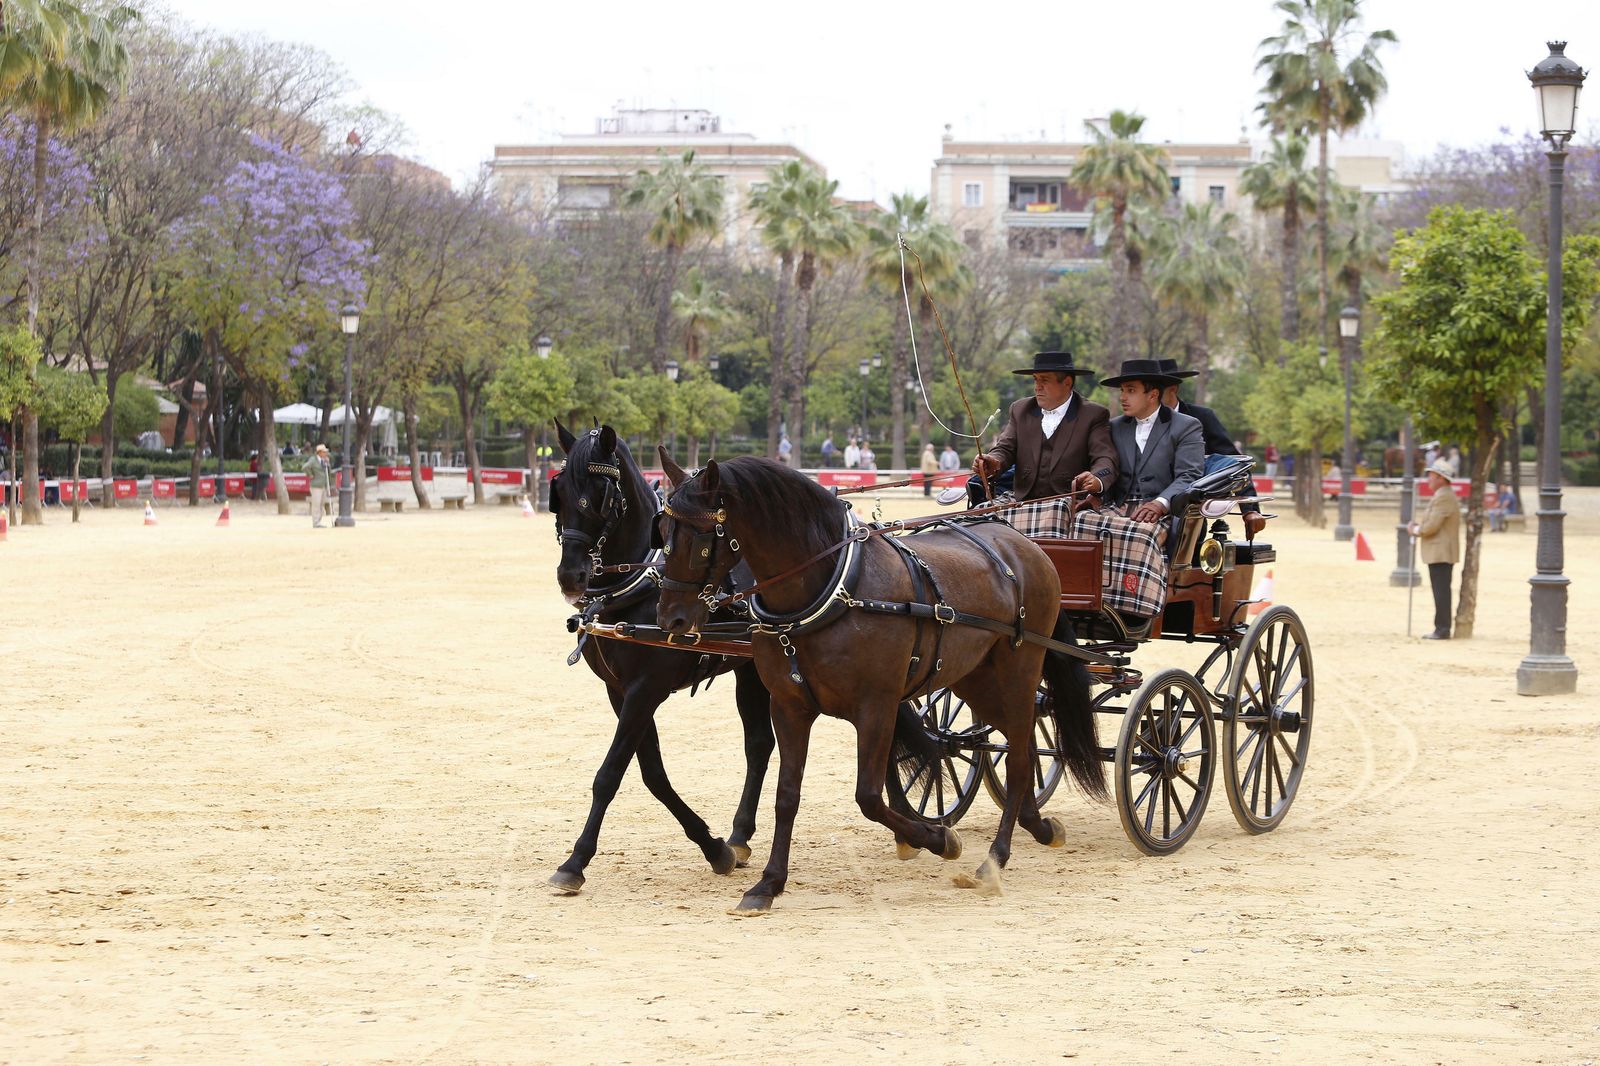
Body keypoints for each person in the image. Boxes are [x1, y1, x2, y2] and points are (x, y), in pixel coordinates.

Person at [970, 350, 1116, 505]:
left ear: (1067, 383)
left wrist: (1097, 479)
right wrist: (994, 461)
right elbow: (1005, 448)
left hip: (1070, 503)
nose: (1037, 387)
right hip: (1022, 500)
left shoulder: (1093, 414)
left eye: (1044, 380)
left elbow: (1104, 458)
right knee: (971, 523)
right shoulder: (1020, 409)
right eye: (1035, 380)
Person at [1156, 359, 1265, 539]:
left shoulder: (1202, 418)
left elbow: (1234, 465)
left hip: (1189, 513)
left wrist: (1249, 511)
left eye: (1156, 391)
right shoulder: (1133, 423)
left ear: (1173, 389)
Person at [1099, 358, 1204, 524]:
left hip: (1165, 512)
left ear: (1153, 395)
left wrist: (1160, 503)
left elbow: (1189, 474)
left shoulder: (1186, 426)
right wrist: (1097, 494)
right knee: (1075, 524)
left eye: (1131, 391)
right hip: (1117, 508)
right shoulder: (1115, 426)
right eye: (1122, 391)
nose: (1122, 398)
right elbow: (1106, 466)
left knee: (1141, 537)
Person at [1410, 458, 1461, 639]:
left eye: (1431, 476)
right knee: (1440, 591)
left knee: (1441, 592)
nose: (1428, 480)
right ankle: (1441, 627)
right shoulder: (1442, 496)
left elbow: (1432, 526)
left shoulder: (1444, 497)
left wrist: (1416, 530)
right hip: (1439, 552)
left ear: (1441, 478)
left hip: (1441, 552)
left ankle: (1442, 628)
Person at [303, 443, 333, 528]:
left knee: (321, 504)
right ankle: (315, 522)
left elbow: (328, 472)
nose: (326, 453)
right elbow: (305, 467)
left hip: (323, 485)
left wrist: (328, 464)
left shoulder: (325, 460)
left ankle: (319, 521)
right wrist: (310, 475)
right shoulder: (313, 460)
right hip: (316, 486)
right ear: (319, 452)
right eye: (324, 452)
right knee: (316, 504)